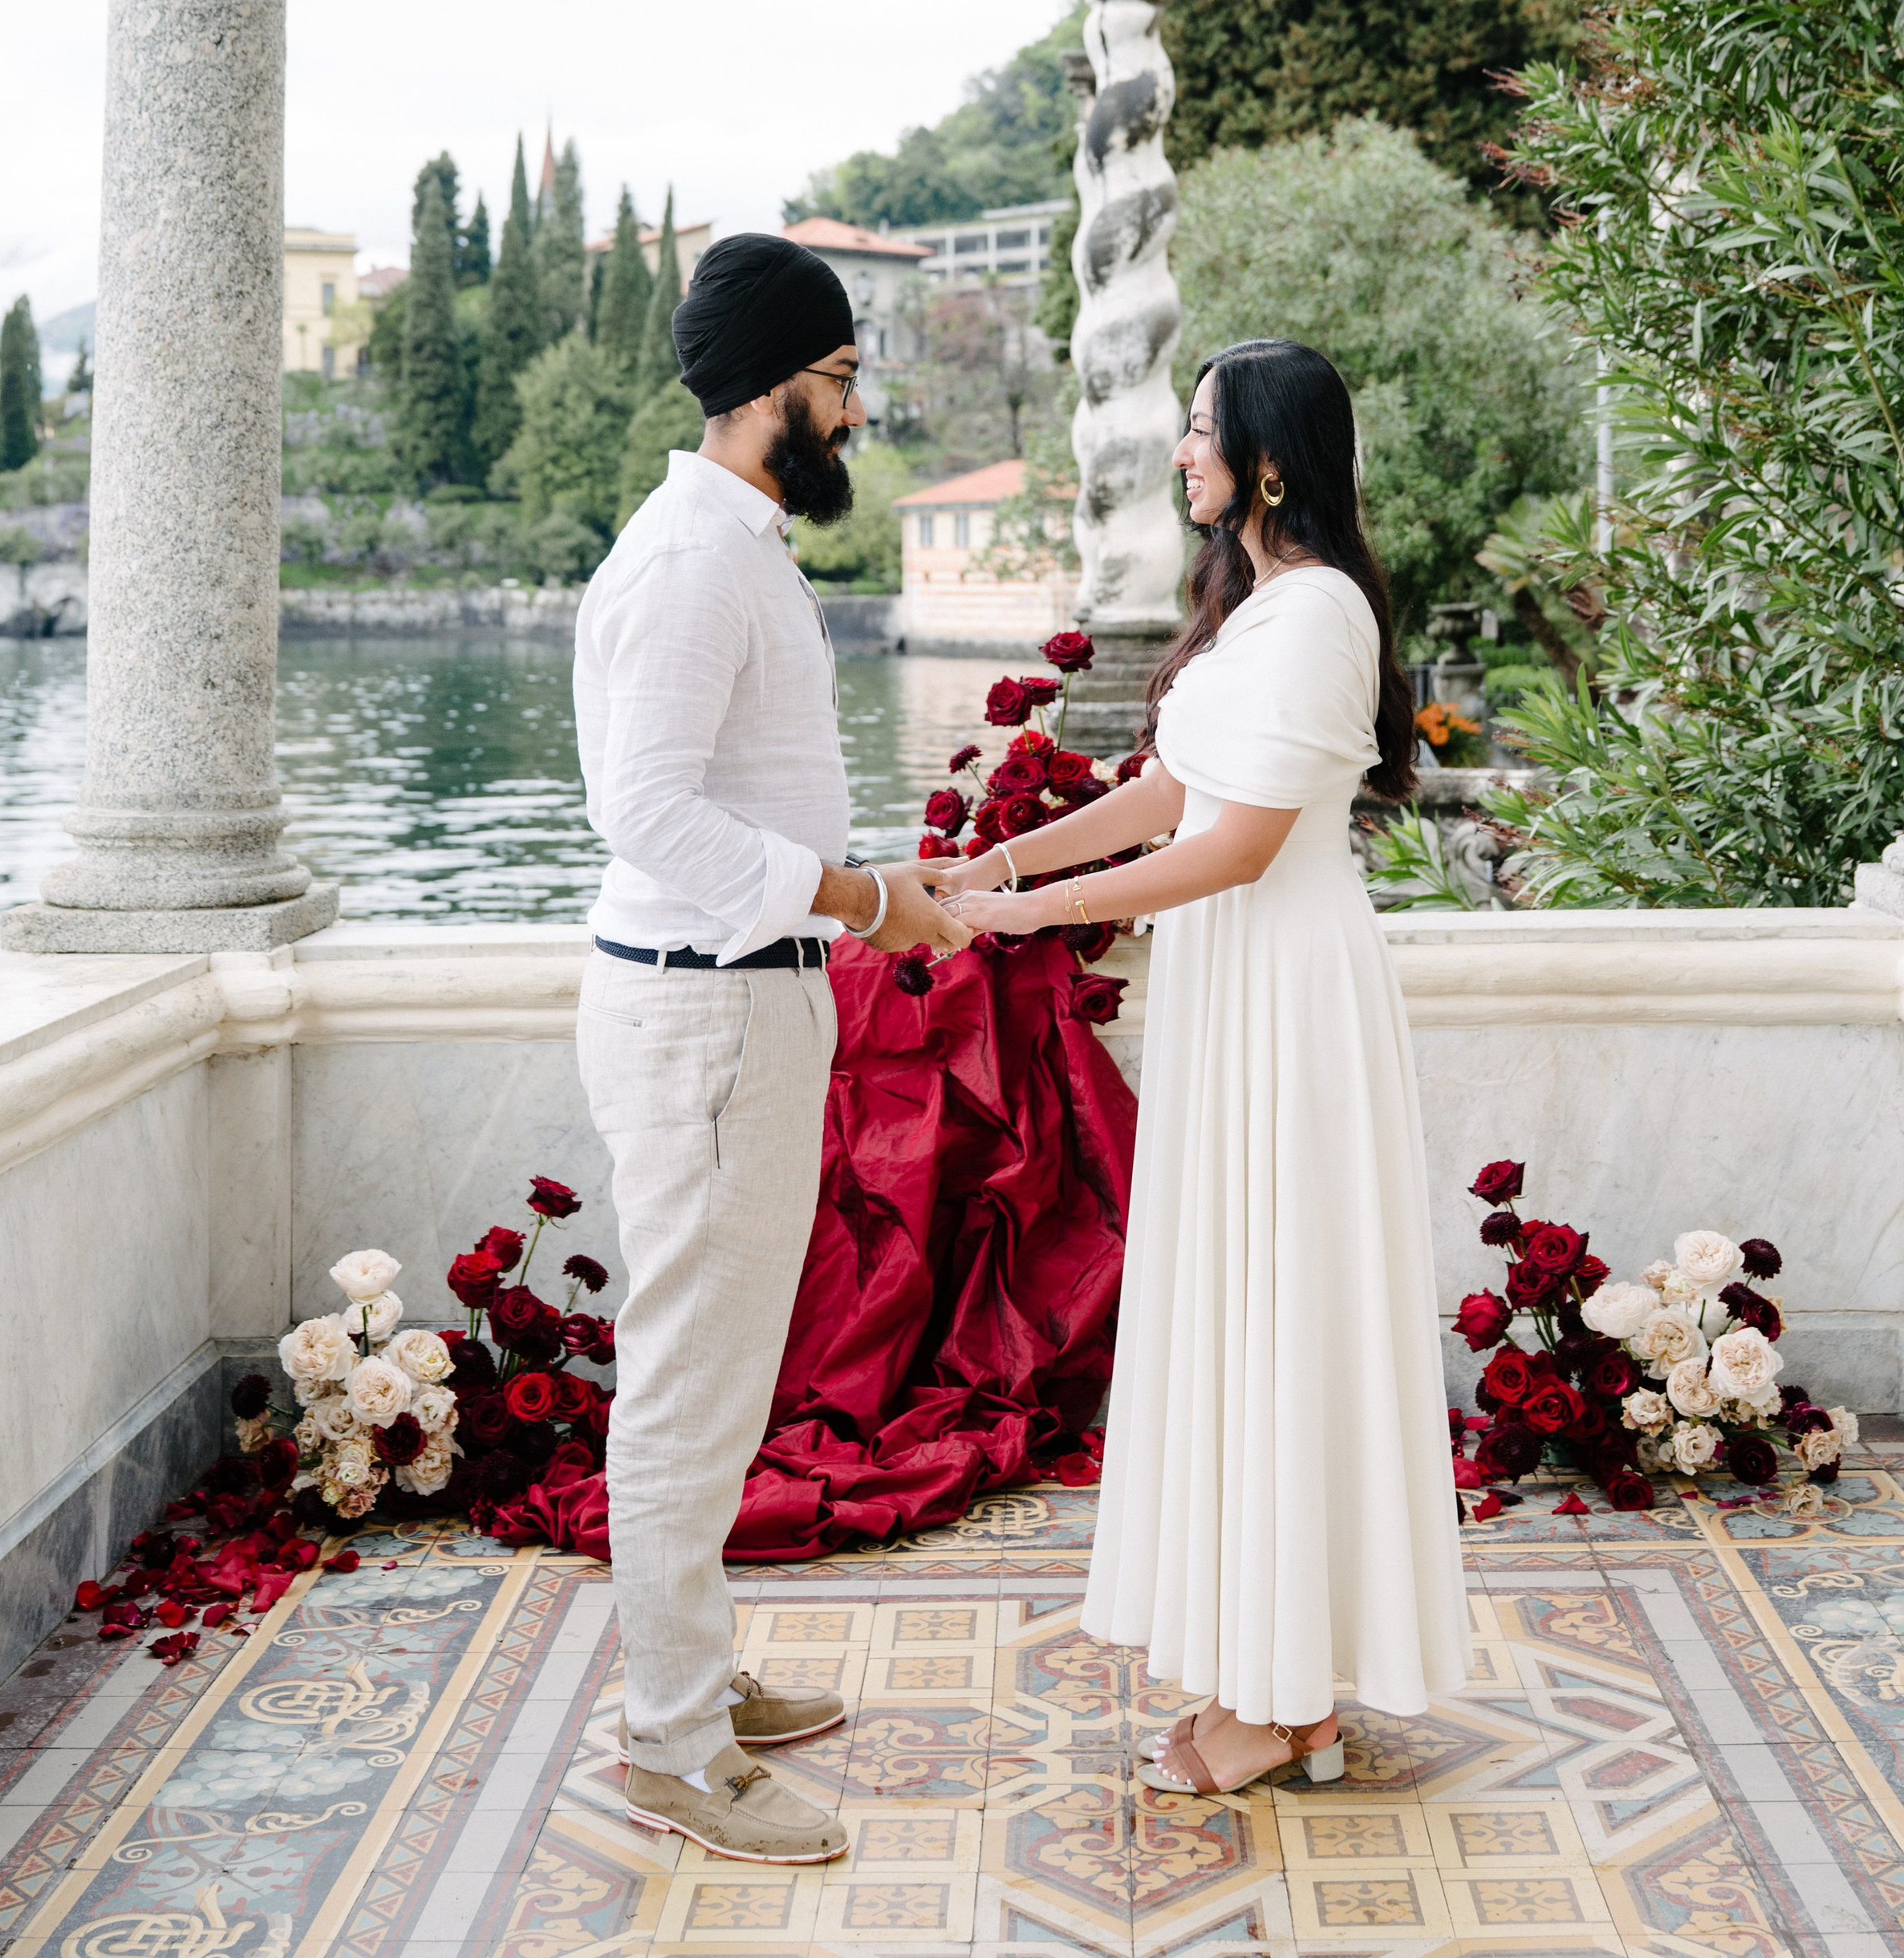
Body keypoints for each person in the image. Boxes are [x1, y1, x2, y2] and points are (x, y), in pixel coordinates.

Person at [936, 338, 1469, 1792]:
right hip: (1236, 985)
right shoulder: (1255, 615)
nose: (1181, 452)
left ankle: (1287, 1689)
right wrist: (993, 861)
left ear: (1271, 458)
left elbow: (1233, 847)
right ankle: (1273, 1685)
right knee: (1242, 1314)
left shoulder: (1318, 617)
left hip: (1288, 991)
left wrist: (1022, 916)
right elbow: (1169, 793)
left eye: (1200, 431)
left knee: (1282, 1315)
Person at [574, 230, 966, 1865]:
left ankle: (694, 1679)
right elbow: (645, 811)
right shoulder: (688, 561)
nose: (859, 412)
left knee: (719, 1373)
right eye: (846, 380)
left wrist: (855, 896)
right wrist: (868, 899)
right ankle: (666, 1745)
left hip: (734, 990)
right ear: (778, 386)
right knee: (686, 1380)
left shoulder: (731, 543)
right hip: (705, 1006)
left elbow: (726, 792)